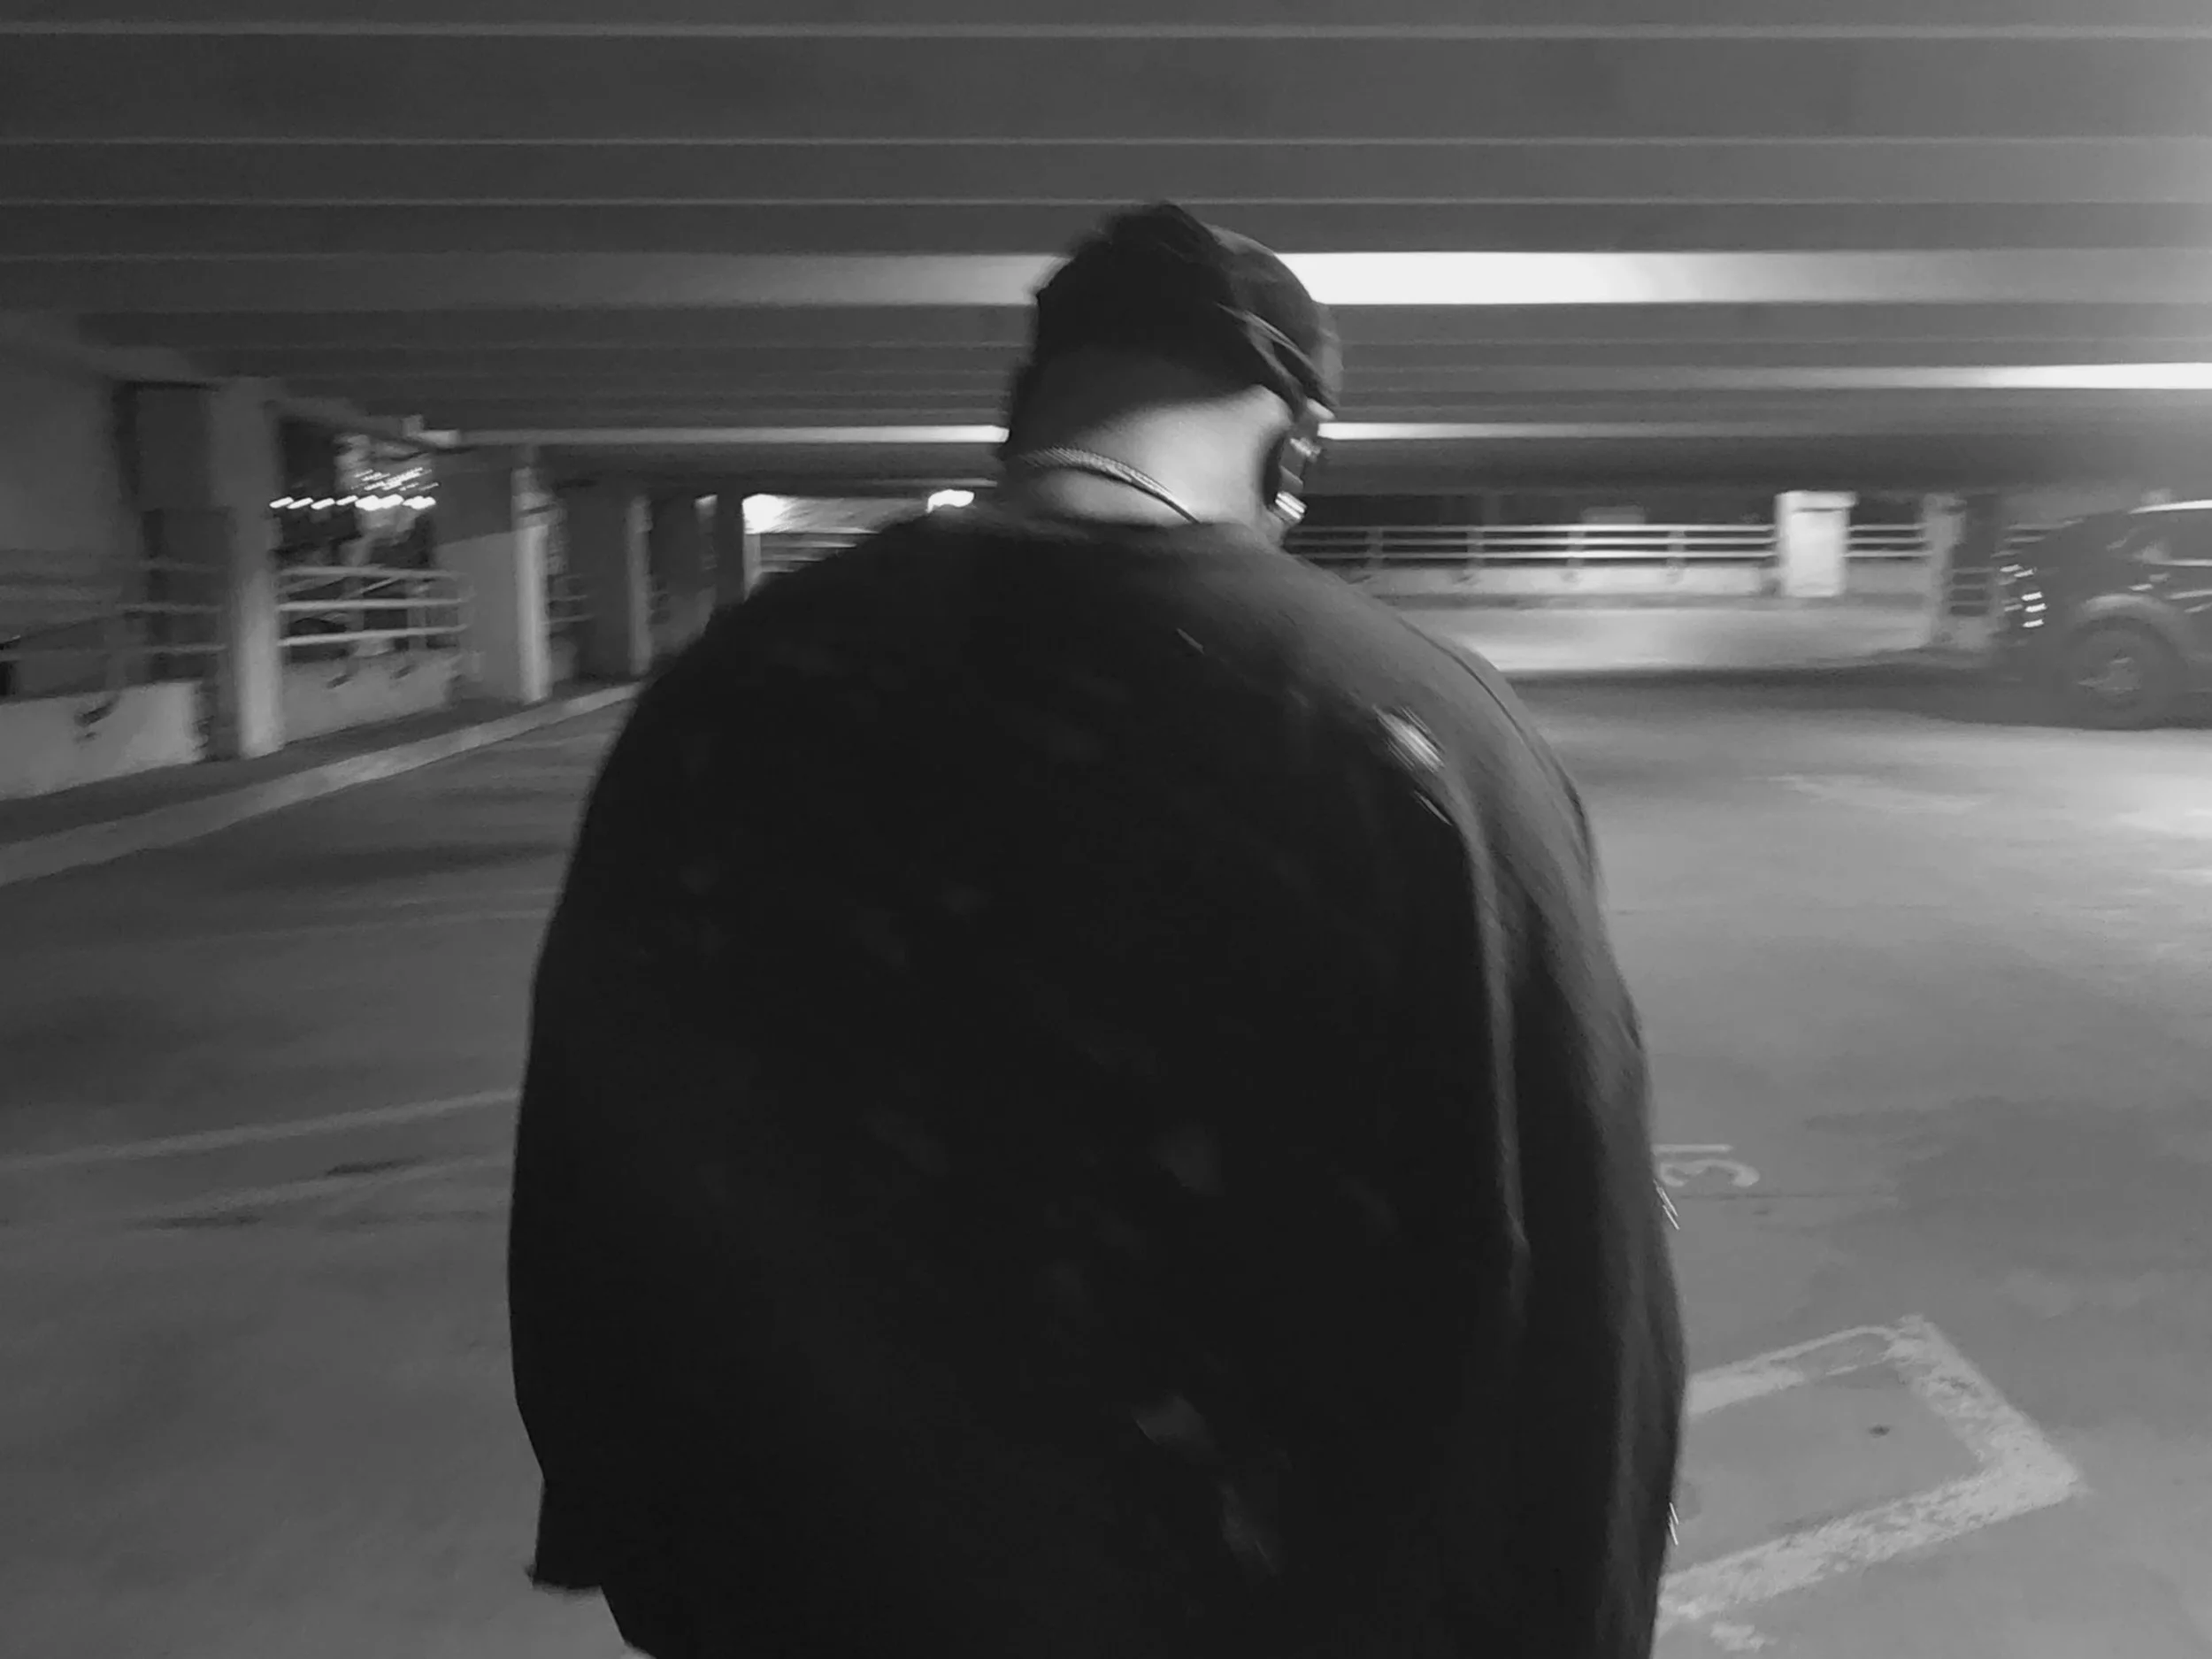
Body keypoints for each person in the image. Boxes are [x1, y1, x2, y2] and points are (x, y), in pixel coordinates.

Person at [507, 202, 1685, 1658]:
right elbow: (1569, 1278)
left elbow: (590, 1163)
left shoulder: (727, 701)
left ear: (1022, 410)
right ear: (1294, 450)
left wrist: (637, 1536)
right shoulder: (1427, 738)